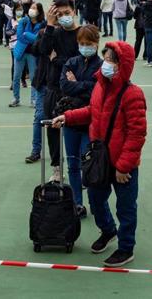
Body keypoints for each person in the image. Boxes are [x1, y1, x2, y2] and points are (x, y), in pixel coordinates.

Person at [51, 41, 147, 269]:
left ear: (122, 65)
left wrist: (123, 166)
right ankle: (108, 231)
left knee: (125, 207)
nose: (106, 64)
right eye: (105, 59)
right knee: (95, 199)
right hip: (100, 159)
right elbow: (93, 112)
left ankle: (126, 248)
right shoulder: (100, 86)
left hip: (122, 163)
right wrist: (68, 116)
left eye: (111, 60)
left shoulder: (133, 94)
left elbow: (137, 134)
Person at [28, 0, 79, 177]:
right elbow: (42, 50)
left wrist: (57, 60)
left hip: (75, 90)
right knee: (53, 129)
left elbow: (78, 62)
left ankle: (77, 167)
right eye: (59, 14)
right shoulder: (52, 33)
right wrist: (49, 25)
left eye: (67, 13)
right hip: (53, 87)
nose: (64, 17)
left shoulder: (82, 34)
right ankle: (57, 167)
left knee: (76, 129)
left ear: (74, 11)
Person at [59, 25, 102, 217]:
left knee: (88, 164)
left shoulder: (101, 66)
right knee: (73, 164)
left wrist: (76, 84)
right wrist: (81, 86)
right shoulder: (71, 62)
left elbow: (97, 91)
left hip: (90, 123)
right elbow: (64, 86)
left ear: (96, 43)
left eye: (89, 44)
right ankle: (77, 203)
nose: (85, 47)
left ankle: (94, 201)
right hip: (70, 121)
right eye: (82, 44)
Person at [11, 2, 44, 107]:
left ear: (39, 11)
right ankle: (16, 98)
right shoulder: (24, 21)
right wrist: (32, 37)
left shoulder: (42, 23)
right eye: (31, 7)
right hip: (20, 52)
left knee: (33, 77)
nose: (32, 9)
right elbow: (20, 36)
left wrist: (27, 34)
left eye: (34, 8)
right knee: (16, 76)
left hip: (33, 54)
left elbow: (38, 39)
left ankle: (33, 100)